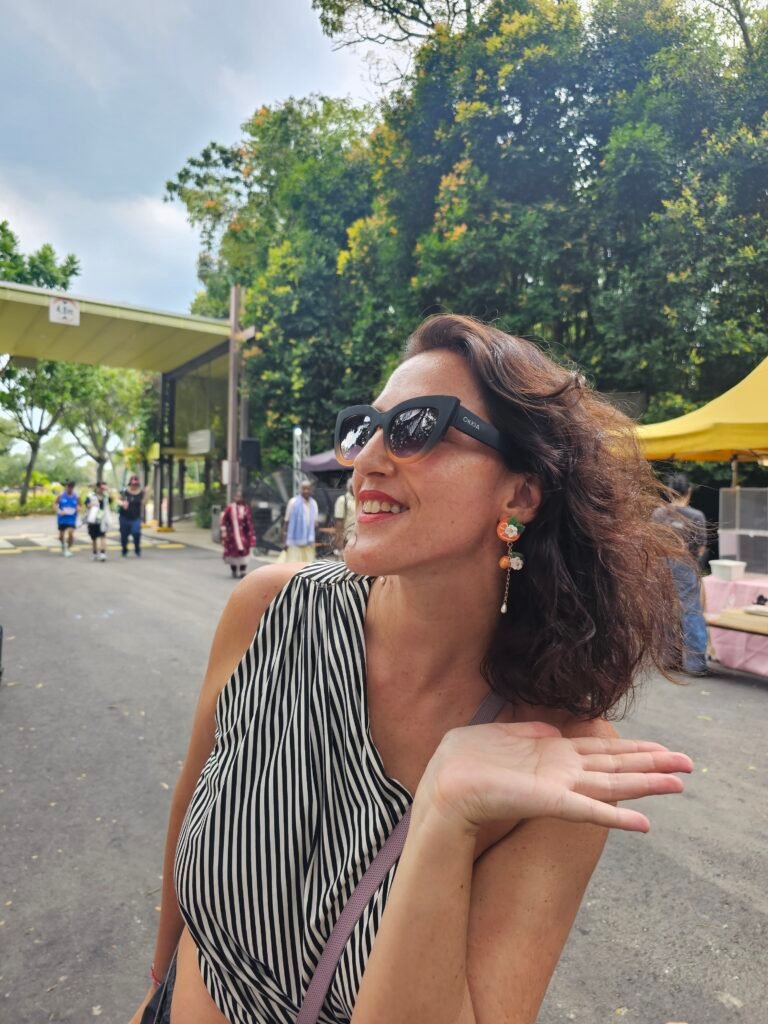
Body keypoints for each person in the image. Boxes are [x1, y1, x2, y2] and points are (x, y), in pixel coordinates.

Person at [130, 315, 692, 1024]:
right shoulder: (272, 608)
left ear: (519, 494)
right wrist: (154, 980)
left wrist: (445, 815)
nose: (365, 460)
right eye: (366, 429)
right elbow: (190, 804)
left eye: (419, 426)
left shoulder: (563, 761)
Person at [652, 472, 709, 677]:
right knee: (691, 611)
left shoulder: (658, 514)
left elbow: (653, 542)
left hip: (660, 564)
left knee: (665, 610)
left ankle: (669, 658)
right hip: (685, 562)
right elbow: (701, 548)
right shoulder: (695, 516)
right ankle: (695, 664)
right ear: (689, 491)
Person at [219, 491, 256, 579]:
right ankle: (234, 570)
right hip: (232, 535)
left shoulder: (246, 508)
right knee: (233, 553)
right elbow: (224, 520)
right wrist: (224, 531)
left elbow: (249, 523)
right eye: (237, 497)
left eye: (240, 497)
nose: (238, 498)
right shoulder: (230, 508)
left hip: (244, 535)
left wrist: (251, 536)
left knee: (244, 552)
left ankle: (243, 571)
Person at [282, 479, 318, 562]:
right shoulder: (292, 502)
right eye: (303, 489)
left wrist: (313, 539)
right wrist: (285, 541)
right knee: (293, 568)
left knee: (307, 568)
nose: (306, 491)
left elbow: (315, 524)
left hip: (309, 543)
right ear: (299, 490)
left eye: (308, 489)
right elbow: (286, 522)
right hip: (294, 543)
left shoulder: (314, 504)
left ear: (311, 490)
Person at [85, 480, 112, 562]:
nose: (102, 489)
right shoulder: (91, 495)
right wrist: (91, 505)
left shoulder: (106, 496)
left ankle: (103, 553)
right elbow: (87, 505)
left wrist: (108, 491)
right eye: (100, 487)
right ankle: (95, 553)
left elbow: (111, 501)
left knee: (103, 536)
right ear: (97, 487)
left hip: (102, 519)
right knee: (94, 538)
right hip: (93, 519)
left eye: (103, 487)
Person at [118, 475, 145, 558]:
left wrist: (148, 492)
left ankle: (137, 549)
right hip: (124, 517)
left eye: (136, 484)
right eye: (133, 484)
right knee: (124, 535)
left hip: (135, 517)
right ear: (130, 484)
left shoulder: (141, 493)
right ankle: (124, 549)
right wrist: (122, 503)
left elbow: (144, 503)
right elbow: (117, 499)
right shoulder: (124, 492)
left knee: (136, 533)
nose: (134, 486)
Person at [54, 480, 79, 557]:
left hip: (72, 518)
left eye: (71, 487)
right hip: (62, 518)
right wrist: (59, 511)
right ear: (66, 487)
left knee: (70, 533)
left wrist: (78, 508)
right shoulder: (61, 496)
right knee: (61, 536)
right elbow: (55, 504)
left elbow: (80, 505)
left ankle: (67, 548)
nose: (70, 489)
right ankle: (63, 545)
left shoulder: (76, 496)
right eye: (68, 487)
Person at [333, 476, 356, 555]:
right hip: (347, 538)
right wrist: (339, 540)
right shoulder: (342, 500)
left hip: (359, 538)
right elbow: (339, 522)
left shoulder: (360, 500)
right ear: (349, 487)